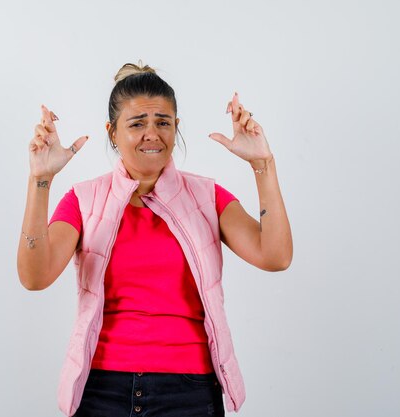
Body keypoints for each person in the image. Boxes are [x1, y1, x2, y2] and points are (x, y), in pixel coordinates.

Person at [17, 62, 293, 417]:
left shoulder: (206, 196)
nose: (152, 134)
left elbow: (275, 256)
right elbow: (34, 277)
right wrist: (40, 180)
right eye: (137, 124)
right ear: (112, 132)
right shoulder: (84, 200)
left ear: (176, 127)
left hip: (189, 393)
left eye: (163, 122)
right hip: (102, 389)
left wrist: (263, 164)